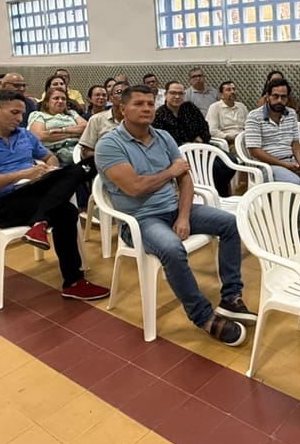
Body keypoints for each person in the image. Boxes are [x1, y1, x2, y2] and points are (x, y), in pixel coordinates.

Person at [95, 85, 252, 346]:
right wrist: (170, 172)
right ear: (123, 109)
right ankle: (203, 317)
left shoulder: (163, 137)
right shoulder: (109, 145)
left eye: (149, 103)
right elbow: (134, 188)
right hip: (140, 220)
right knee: (172, 248)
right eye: (138, 104)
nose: (146, 108)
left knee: (230, 223)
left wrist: (183, 216)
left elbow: (186, 180)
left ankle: (231, 296)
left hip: (173, 210)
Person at [0, 90, 109, 301]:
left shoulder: (24, 135)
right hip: (5, 205)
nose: (20, 119)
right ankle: (46, 228)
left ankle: (70, 278)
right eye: (15, 112)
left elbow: (50, 156)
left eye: (22, 114)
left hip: (37, 194)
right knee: (67, 210)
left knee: (85, 168)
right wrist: (24, 174)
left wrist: (49, 170)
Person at [244, 77, 300, 233]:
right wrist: (285, 166)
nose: (279, 100)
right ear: (267, 96)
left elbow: (295, 142)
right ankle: (293, 222)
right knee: (295, 183)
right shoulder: (254, 116)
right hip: (269, 165)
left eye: (283, 97)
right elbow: (255, 151)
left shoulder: (291, 114)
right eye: (275, 96)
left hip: (291, 160)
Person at [28, 87, 86, 165]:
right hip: (55, 154)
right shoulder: (39, 115)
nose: (60, 101)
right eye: (56, 98)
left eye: (63, 99)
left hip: (79, 151)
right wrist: (75, 133)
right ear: (47, 102)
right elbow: (40, 136)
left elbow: (86, 127)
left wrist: (62, 130)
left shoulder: (72, 113)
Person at [153, 82, 210, 146]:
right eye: (173, 93)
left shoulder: (190, 108)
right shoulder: (159, 115)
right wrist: (184, 145)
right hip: (173, 152)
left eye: (180, 93)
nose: (177, 97)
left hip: (199, 148)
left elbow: (204, 127)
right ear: (166, 95)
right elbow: (160, 140)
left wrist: (201, 138)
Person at [79, 82, 127, 157]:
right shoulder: (96, 120)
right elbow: (86, 151)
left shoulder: (136, 121)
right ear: (111, 98)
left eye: (128, 93)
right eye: (119, 92)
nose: (124, 96)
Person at [206, 80, 248, 149]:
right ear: (221, 95)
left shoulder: (241, 106)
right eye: (228, 90)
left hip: (244, 139)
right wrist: (228, 137)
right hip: (228, 142)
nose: (232, 92)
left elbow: (248, 125)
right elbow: (212, 130)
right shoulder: (215, 107)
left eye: (233, 89)